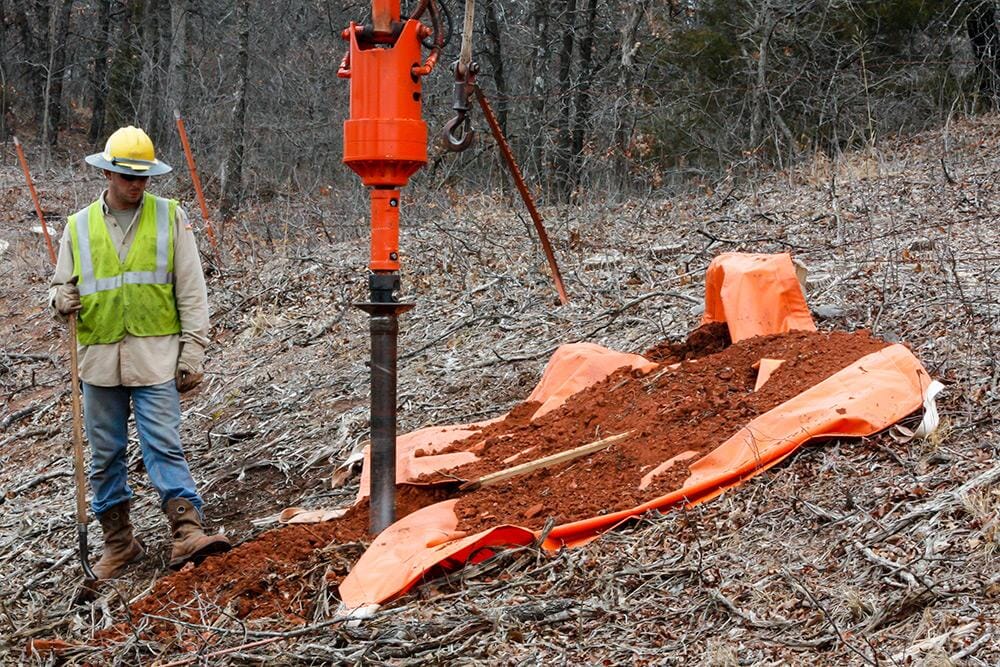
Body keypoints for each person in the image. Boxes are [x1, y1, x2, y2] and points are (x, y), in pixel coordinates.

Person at [49, 126, 230, 582]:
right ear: (108, 173)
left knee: (163, 445)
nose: (137, 184)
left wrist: (193, 351)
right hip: (98, 360)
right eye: (128, 176)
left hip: (155, 357)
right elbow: (60, 287)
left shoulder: (170, 217)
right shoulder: (78, 225)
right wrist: (59, 300)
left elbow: (192, 290)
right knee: (105, 455)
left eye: (143, 177)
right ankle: (119, 542)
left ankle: (187, 530)